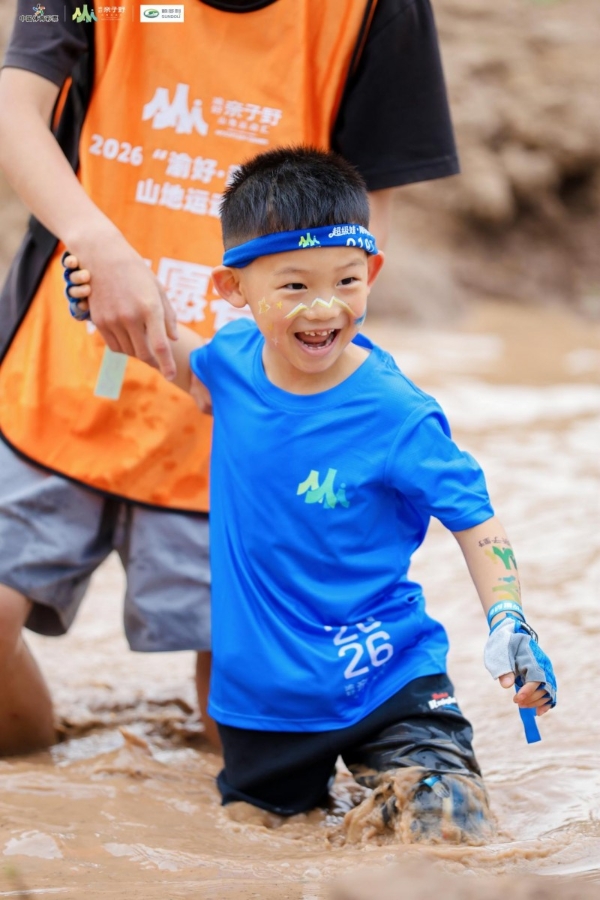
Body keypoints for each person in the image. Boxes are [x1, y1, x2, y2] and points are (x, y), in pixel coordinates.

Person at [0, 0, 462, 755]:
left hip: (241, 410)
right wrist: (96, 243)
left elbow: (360, 229)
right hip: (58, 370)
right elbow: (15, 110)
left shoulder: (380, 9)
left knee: (247, 742)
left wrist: (295, 381)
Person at [64, 147, 557, 841]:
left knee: (449, 824)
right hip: (261, 702)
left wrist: (510, 622)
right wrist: (100, 305)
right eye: (293, 287)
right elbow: (171, 358)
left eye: (346, 282)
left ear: (373, 273)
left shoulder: (397, 414)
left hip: (391, 680)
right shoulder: (231, 364)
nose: (325, 308)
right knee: (258, 845)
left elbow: (476, 521)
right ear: (234, 290)